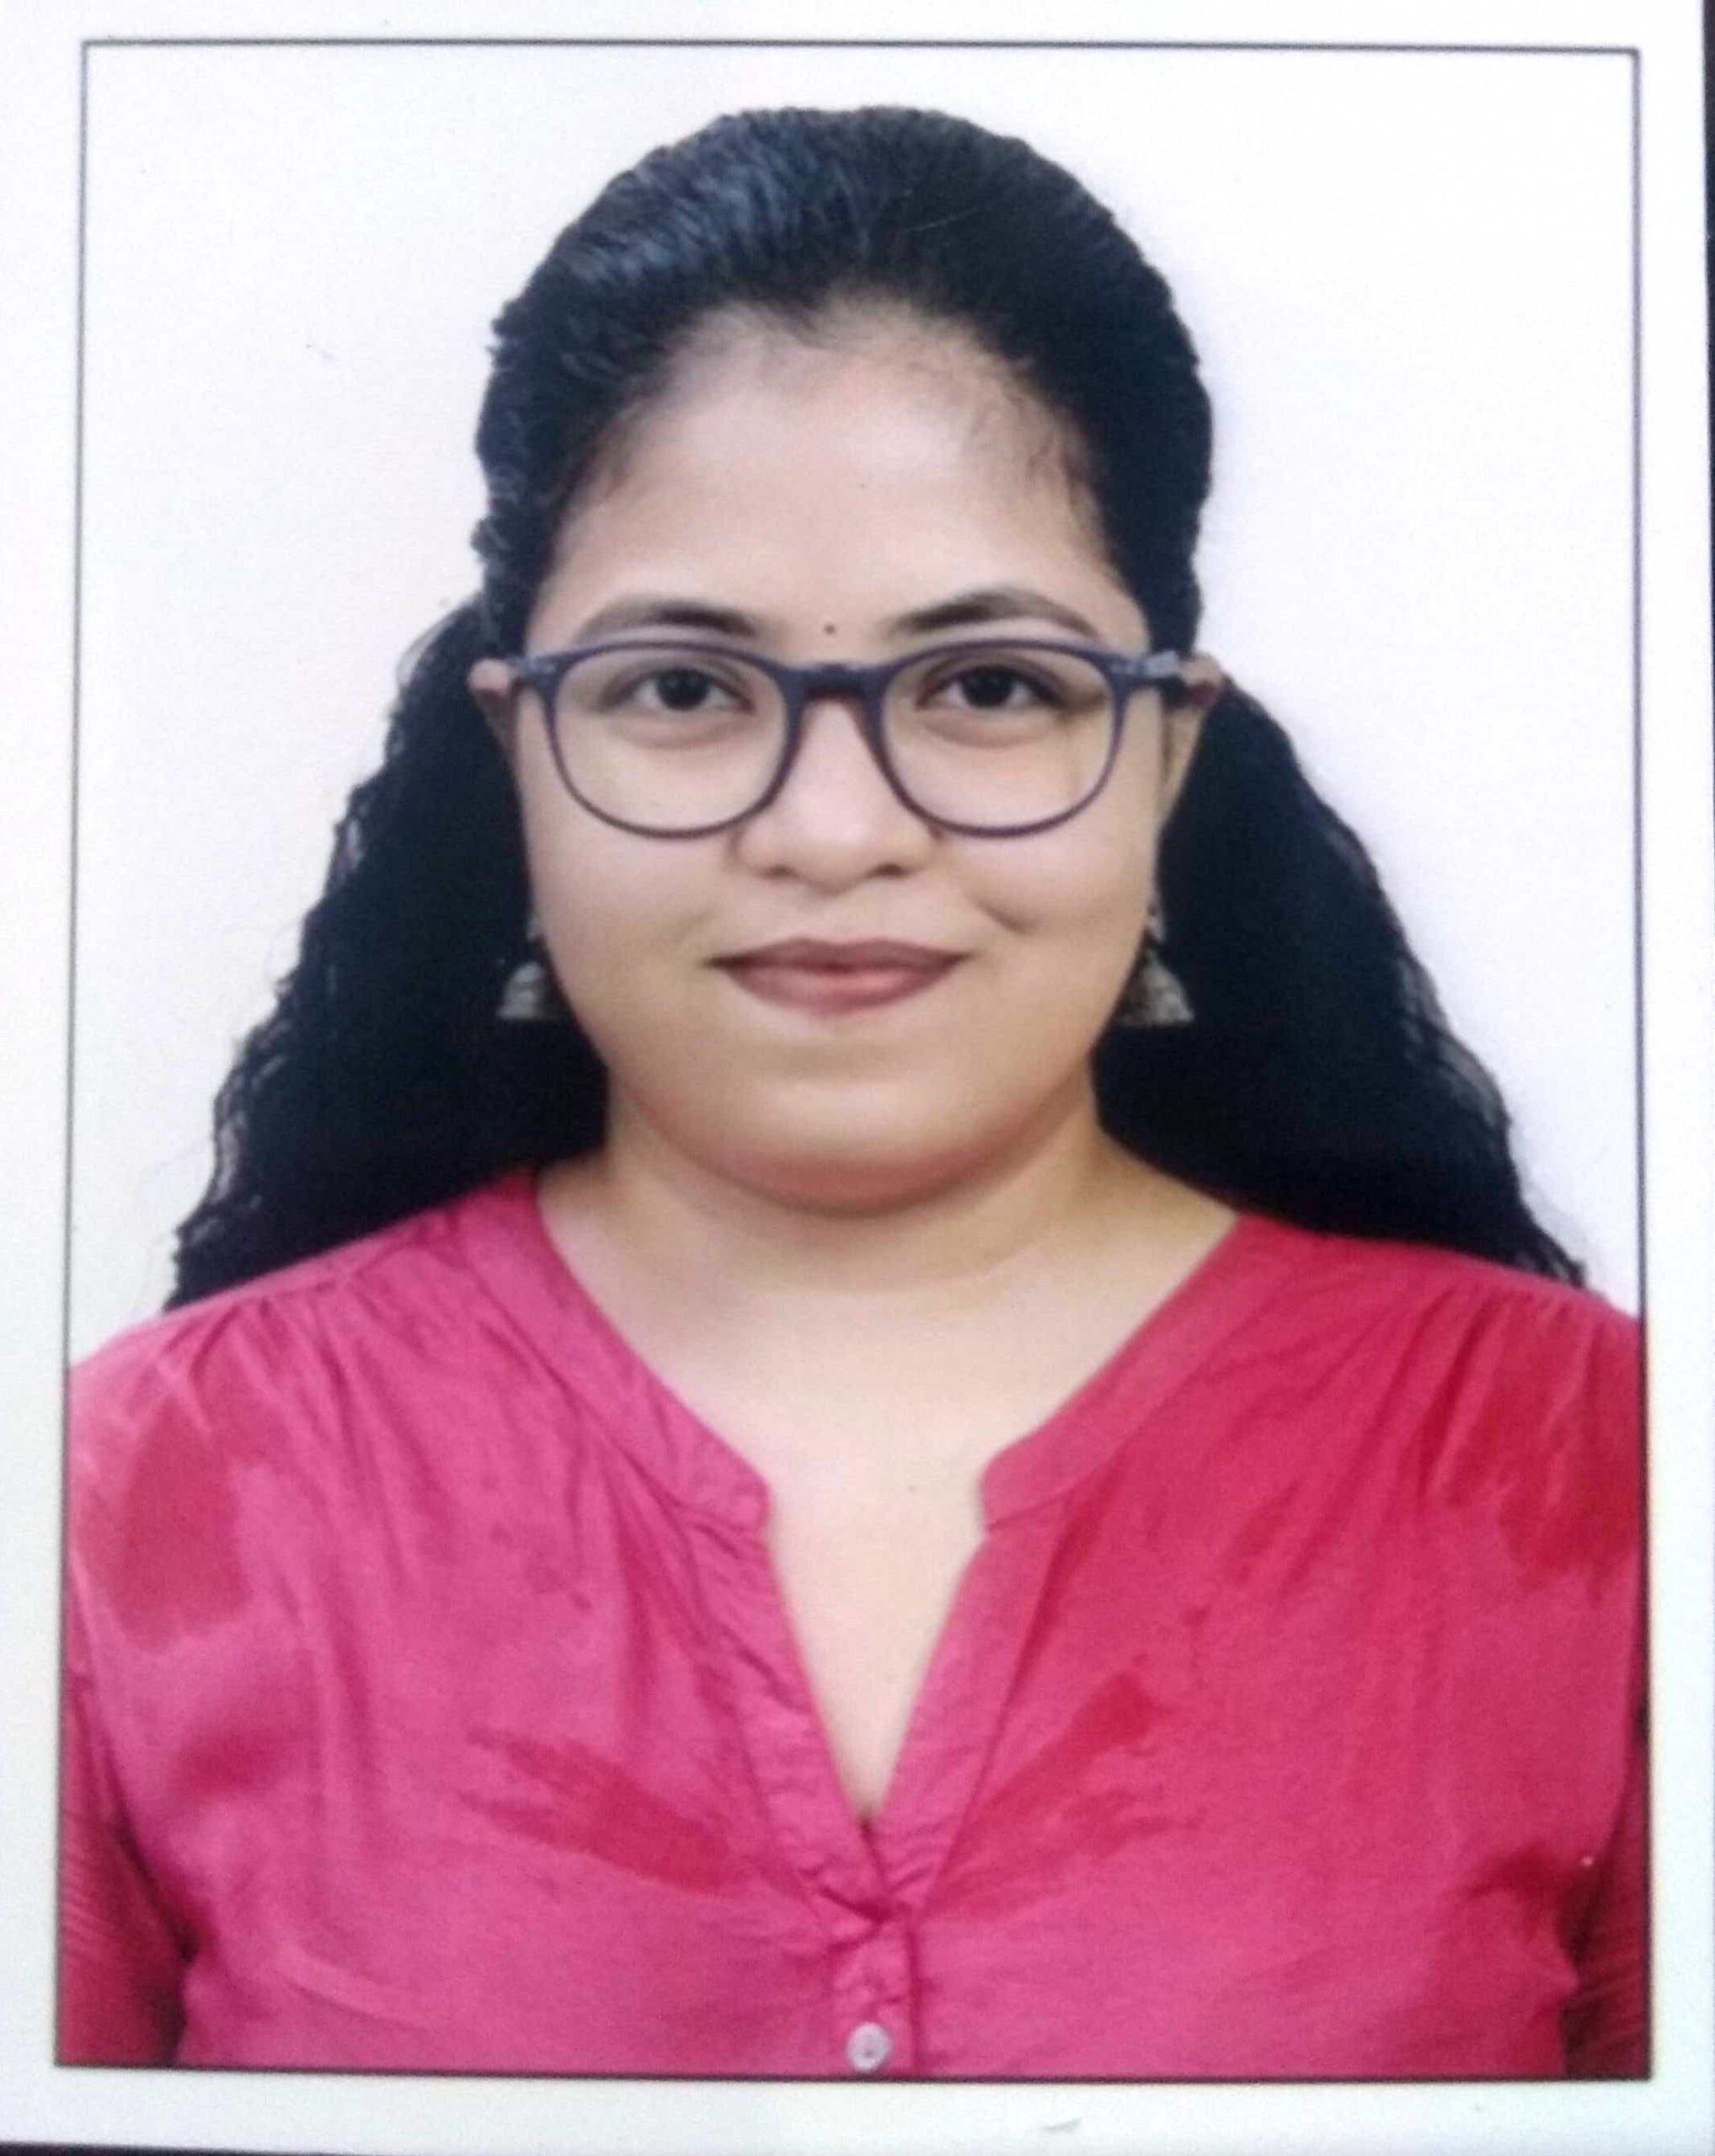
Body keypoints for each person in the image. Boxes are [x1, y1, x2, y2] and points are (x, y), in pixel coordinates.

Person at [58, 104, 1643, 2079]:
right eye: (679, 686)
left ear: (1164, 755)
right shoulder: (120, 1497)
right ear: (519, 748)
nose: (829, 829)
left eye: (988, 687)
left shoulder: (1613, 1472)